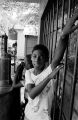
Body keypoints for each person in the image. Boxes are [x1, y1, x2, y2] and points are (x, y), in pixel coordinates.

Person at [24, 10, 78, 120]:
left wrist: (63, 35)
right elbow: (32, 94)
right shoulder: (28, 73)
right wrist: (49, 77)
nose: (37, 60)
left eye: (41, 57)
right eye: (34, 56)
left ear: (46, 59)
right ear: (31, 58)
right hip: (28, 116)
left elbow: (59, 51)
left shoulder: (49, 69)